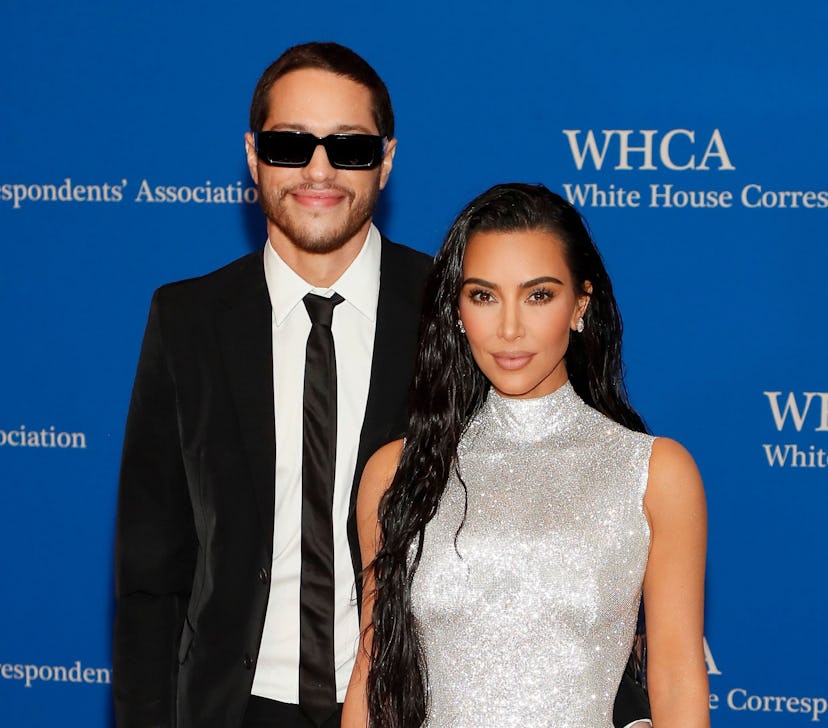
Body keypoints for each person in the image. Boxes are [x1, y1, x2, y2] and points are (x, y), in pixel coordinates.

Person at [112, 42, 431, 728]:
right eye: (292, 144)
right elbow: (150, 568)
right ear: (255, 157)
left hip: (408, 708)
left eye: (348, 147)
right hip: (234, 709)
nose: (319, 170)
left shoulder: (451, 312)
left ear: (388, 159)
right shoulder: (187, 320)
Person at [342, 184, 709, 727]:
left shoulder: (654, 473)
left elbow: (677, 681)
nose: (509, 328)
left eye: (538, 295)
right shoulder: (397, 473)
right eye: (484, 296)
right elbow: (372, 680)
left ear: (580, 305)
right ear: (458, 311)